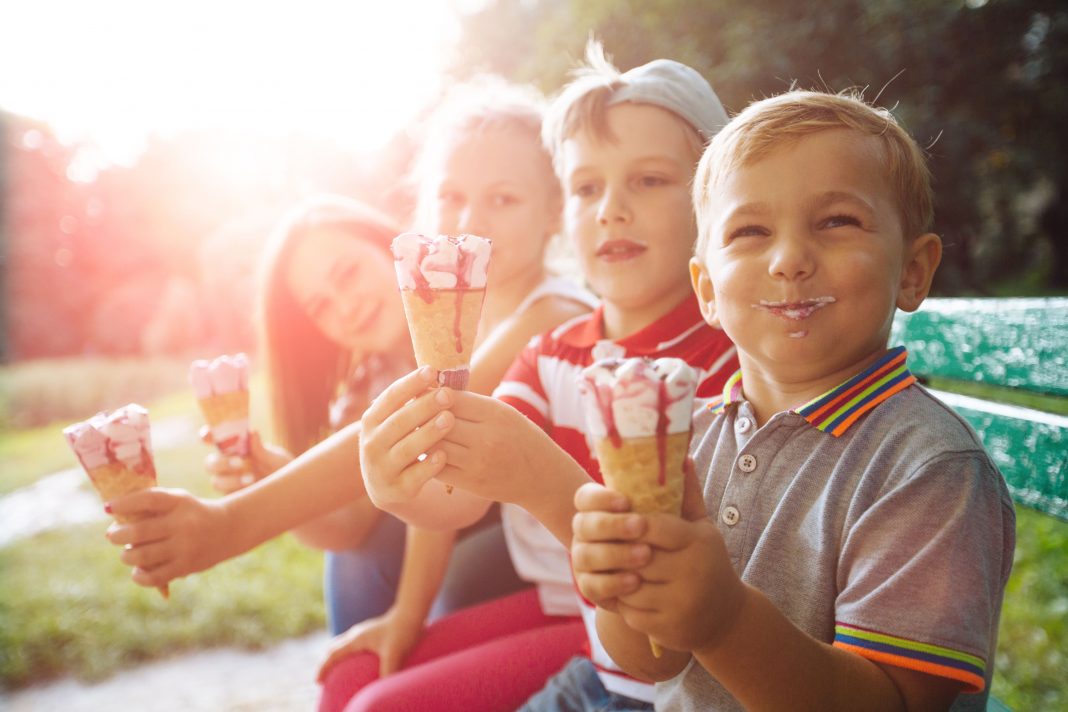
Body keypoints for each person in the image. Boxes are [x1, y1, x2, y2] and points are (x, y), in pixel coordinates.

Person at [106, 76, 595, 656]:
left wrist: (229, 524)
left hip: (587, 594)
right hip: (546, 573)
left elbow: (427, 426)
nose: (469, 218)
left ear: (554, 212)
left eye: (503, 198)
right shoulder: (465, 329)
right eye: (450, 197)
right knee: (357, 601)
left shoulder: (551, 313)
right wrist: (405, 617)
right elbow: (393, 499)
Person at [570, 89, 1016, 710]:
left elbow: (892, 702)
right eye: (750, 231)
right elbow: (658, 657)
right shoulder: (688, 439)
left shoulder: (928, 470)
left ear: (913, 270)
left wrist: (723, 621)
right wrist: (620, 587)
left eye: (837, 222)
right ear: (706, 288)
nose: (788, 260)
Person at [344, 44, 738, 711]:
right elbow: (459, 498)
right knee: (354, 680)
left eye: (647, 180)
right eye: (587, 187)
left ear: (713, 199)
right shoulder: (551, 353)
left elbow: (673, 632)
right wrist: (396, 486)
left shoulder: (731, 366)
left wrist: (536, 476)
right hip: (600, 656)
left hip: (670, 682)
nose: (611, 208)